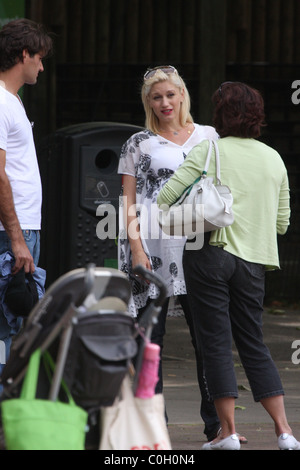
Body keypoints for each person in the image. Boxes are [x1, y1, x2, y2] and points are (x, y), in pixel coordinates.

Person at [157, 81, 300, 450]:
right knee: (253, 342)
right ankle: (284, 431)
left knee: (216, 343)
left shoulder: (209, 149)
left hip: (208, 255)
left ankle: (227, 434)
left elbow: (166, 199)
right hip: (254, 262)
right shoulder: (274, 159)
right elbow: (282, 223)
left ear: (221, 114)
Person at [118, 65, 223, 442]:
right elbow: (126, 203)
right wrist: (136, 249)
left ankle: (218, 426)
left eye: (170, 95)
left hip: (199, 250)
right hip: (153, 250)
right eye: (156, 97)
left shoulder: (210, 137)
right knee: (152, 342)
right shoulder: (137, 143)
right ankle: (152, 427)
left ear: (182, 96)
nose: (164, 102)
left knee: (208, 339)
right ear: (148, 103)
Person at [0, 19, 52, 380]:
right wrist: (17, 239)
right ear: (24, 53)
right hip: (9, 233)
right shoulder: (1, 101)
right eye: (40, 58)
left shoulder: (13, 101)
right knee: (8, 328)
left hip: (20, 229)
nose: (42, 66)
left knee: (18, 327)